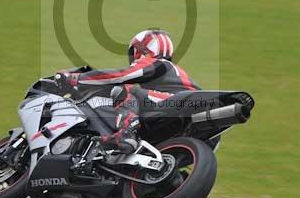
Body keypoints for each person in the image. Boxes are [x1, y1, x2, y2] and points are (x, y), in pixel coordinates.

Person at [58, 29, 200, 153]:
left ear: (142, 49)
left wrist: (76, 78)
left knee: (126, 90)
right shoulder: (171, 70)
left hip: (179, 100)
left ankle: (126, 135)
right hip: (191, 112)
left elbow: (120, 75)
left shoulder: (157, 63)